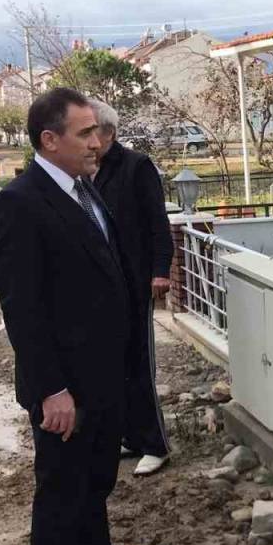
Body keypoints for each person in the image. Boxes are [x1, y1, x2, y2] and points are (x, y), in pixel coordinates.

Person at [0, 87, 159, 545]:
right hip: (65, 384)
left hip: (106, 372)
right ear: (49, 139)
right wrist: (50, 389)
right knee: (62, 488)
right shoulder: (20, 202)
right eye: (85, 133)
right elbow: (24, 308)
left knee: (96, 479)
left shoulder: (85, 190)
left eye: (98, 131)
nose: (98, 142)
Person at [90, 99, 174, 477]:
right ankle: (131, 436)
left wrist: (160, 271)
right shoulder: (86, 169)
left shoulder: (136, 167)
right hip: (102, 286)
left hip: (136, 281)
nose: (88, 139)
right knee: (112, 366)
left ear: (108, 132)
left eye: (92, 131)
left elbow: (158, 222)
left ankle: (156, 445)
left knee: (140, 366)